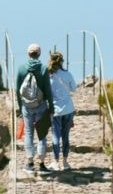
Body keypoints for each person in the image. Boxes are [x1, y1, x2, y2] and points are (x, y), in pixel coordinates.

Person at [15, 43, 54, 176]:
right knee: (42, 134)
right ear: (39, 54)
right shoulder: (43, 69)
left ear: (28, 54)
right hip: (41, 106)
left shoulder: (21, 69)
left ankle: (30, 163)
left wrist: (21, 107)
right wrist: (51, 108)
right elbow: (48, 90)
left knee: (28, 132)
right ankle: (42, 164)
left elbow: (17, 90)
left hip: (26, 106)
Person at [47, 52, 77, 171]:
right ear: (62, 62)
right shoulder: (67, 74)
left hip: (56, 110)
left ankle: (55, 162)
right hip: (68, 109)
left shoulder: (49, 76)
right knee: (66, 136)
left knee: (55, 136)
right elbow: (74, 88)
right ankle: (65, 162)